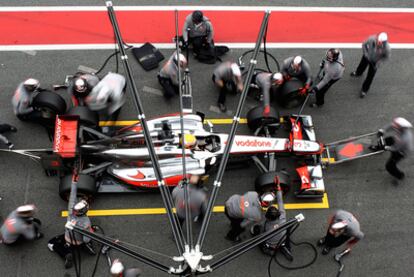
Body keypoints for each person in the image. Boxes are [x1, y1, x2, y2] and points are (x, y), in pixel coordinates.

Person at [48, 200, 96, 268]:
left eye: (75, 210)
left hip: (68, 238)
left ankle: (66, 254)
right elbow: (86, 239)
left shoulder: (70, 214)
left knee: (51, 243)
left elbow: (72, 198)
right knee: (88, 235)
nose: (74, 211)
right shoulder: (86, 223)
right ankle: (87, 246)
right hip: (79, 242)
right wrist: (90, 230)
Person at [350, 32, 391, 98]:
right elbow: (364, 44)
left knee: (370, 76)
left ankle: (364, 89)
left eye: (381, 42)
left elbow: (386, 57)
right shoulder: (371, 39)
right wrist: (365, 53)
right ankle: (358, 72)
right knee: (362, 65)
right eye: (378, 41)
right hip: (367, 56)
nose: (379, 43)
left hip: (375, 61)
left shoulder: (387, 48)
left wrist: (378, 63)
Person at [259, 183, 291, 260]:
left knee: (258, 237)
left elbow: (262, 234)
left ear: (268, 218)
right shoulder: (282, 217)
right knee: (288, 229)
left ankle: (268, 251)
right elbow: (280, 202)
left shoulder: (265, 224)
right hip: (282, 240)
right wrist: (279, 190)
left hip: (270, 244)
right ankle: (286, 247)